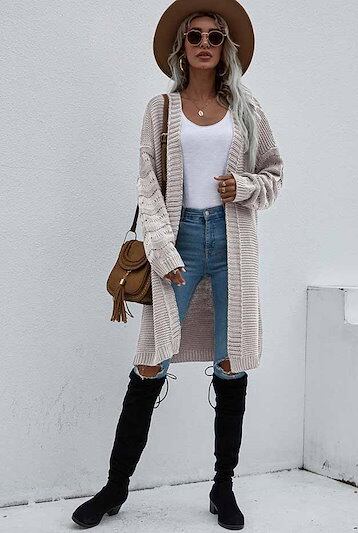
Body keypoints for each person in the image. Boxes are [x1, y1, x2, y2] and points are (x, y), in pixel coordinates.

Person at [72, 0, 284, 530]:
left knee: (231, 363)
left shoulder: (248, 109)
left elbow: (274, 173)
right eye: (195, 36)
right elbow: (147, 184)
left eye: (215, 36)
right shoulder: (160, 109)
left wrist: (245, 186)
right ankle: (115, 488)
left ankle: (223, 487)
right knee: (150, 362)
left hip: (234, 243)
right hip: (179, 238)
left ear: (226, 47)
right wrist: (163, 251)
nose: (205, 44)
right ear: (181, 47)